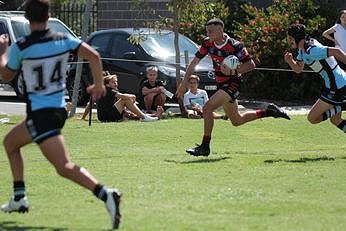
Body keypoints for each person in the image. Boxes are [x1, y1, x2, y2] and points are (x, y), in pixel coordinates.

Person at [0, 0, 121, 229]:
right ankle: (19, 197)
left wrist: (2, 53)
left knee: (63, 166)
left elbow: (6, 75)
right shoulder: (62, 39)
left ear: (26, 18)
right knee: (10, 143)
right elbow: (94, 56)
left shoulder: (22, 45)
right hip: (57, 109)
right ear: (48, 15)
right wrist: (98, 85)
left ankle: (106, 194)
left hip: (41, 113)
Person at [176, 18, 290, 157]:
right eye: (207, 31)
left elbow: (251, 64)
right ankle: (269, 112)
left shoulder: (235, 45)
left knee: (207, 108)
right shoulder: (207, 43)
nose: (208, 33)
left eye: (211, 31)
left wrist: (234, 71)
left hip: (233, 83)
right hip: (221, 84)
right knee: (237, 120)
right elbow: (194, 63)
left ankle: (205, 147)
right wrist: (183, 83)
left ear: (220, 30)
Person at [284, 23, 346, 133]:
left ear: (297, 38)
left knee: (312, 118)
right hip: (337, 83)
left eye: (290, 38)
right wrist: (290, 61)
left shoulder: (311, 51)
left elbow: (335, 51)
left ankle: (342, 105)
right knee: (335, 120)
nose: (289, 41)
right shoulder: (302, 49)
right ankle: (341, 105)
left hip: (336, 86)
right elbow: (298, 69)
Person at [96, 71, 163, 122]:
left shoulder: (112, 90)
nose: (116, 84)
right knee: (125, 99)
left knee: (130, 113)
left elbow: (118, 100)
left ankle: (154, 116)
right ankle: (145, 117)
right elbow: (122, 96)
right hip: (105, 116)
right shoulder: (107, 90)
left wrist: (126, 109)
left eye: (116, 82)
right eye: (113, 82)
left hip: (110, 113)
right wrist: (132, 96)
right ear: (107, 85)